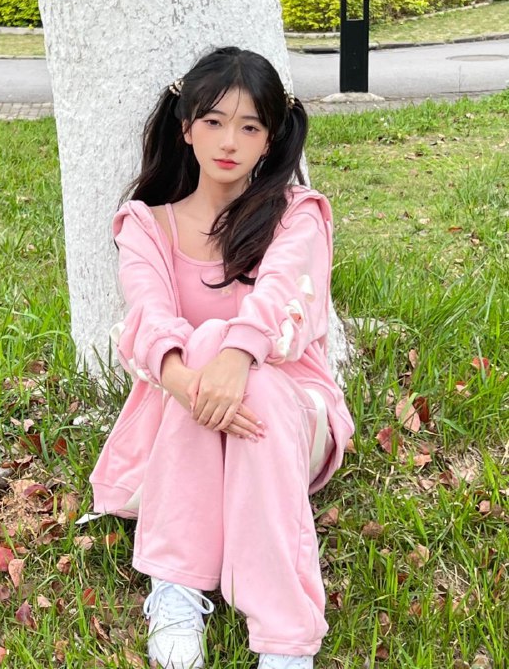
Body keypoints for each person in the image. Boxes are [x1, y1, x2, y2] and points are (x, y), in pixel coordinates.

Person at [89, 46, 355, 669]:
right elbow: (149, 318)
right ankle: (181, 591)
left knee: (227, 355)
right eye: (213, 121)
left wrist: (235, 357)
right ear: (186, 128)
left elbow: (283, 300)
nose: (229, 141)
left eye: (250, 127)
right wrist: (193, 380)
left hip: (295, 415)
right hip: (183, 411)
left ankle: (279, 635)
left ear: (270, 139)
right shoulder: (146, 226)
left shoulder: (297, 215)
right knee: (203, 346)